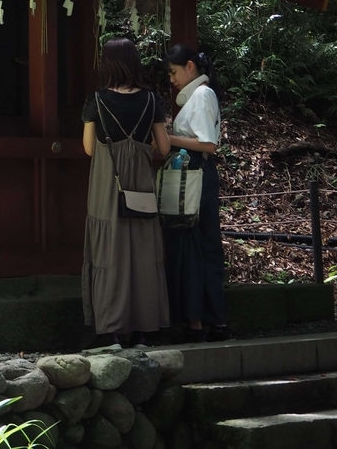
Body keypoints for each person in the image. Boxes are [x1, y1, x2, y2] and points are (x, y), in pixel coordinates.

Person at [80, 36, 171, 345]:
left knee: (110, 250)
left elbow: (89, 148)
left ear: (108, 64)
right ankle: (146, 328)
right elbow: (164, 146)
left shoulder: (96, 100)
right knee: (144, 250)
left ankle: (115, 328)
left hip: (108, 183)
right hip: (141, 183)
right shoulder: (151, 100)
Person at [163, 44, 229, 342]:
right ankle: (204, 319)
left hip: (197, 176)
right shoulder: (200, 96)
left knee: (198, 245)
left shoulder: (202, 96)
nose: (172, 78)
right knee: (198, 245)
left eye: (174, 72)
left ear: (190, 67)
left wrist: (168, 136)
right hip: (195, 176)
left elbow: (209, 145)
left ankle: (202, 321)